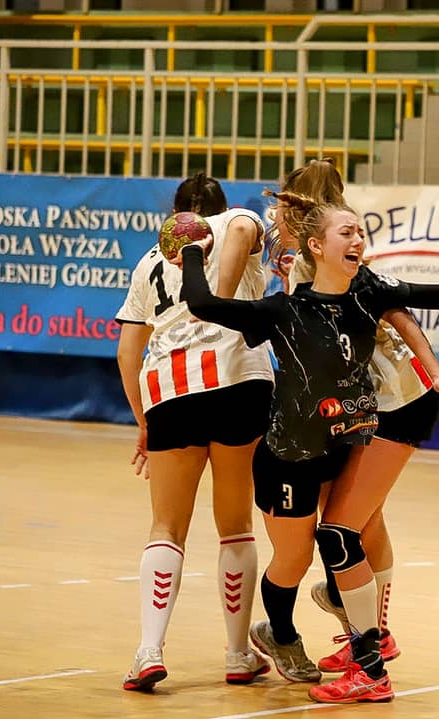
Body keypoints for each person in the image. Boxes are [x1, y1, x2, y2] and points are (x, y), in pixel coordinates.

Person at [173, 193, 439, 702]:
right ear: (316, 246)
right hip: (287, 458)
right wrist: (194, 252)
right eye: (346, 232)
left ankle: (370, 665)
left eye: (360, 231)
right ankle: (287, 635)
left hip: (339, 445)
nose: (358, 239)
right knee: (295, 558)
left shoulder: (368, 292)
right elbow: (204, 305)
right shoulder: (284, 309)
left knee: (340, 539)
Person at [266, 158, 439, 676]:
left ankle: (372, 642)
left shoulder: (318, 264)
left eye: (279, 212)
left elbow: (401, 313)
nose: (273, 221)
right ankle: (368, 626)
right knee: (366, 516)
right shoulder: (321, 259)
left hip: (395, 402)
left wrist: (435, 373)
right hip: (371, 405)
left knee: (340, 530)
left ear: (297, 215)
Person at [115, 173, 273, 690]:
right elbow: (245, 228)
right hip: (238, 381)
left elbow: (127, 353)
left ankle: (148, 650)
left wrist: (143, 422)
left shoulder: (148, 261)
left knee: (166, 527)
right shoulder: (235, 221)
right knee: (236, 523)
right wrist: (221, 305)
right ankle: (237, 654)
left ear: (173, 214)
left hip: (169, 390)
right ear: (219, 207)